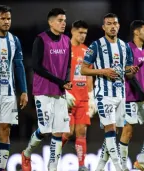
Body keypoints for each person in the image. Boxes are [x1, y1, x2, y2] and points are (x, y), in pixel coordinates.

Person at [95, 20, 144, 171]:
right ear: (136, 32)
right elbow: (128, 74)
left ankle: (140, 161)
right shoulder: (127, 48)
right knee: (127, 132)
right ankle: (123, 166)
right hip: (129, 97)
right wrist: (141, 91)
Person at [81, 13, 138, 171]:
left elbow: (126, 71)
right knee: (110, 129)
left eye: (115, 23)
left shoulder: (125, 46)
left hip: (120, 94)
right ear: (103, 27)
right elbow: (83, 69)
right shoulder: (96, 45)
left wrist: (131, 71)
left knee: (113, 132)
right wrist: (103, 72)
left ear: (119, 26)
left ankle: (99, 168)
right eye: (109, 23)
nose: (112, 26)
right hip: (103, 94)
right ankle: (119, 167)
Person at [21, 8, 72, 171]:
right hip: (43, 90)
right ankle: (27, 153)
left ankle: (53, 168)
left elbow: (68, 65)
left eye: (64, 20)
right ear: (50, 22)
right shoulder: (41, 40)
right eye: (59, 20)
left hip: (60, 91)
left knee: (58, 132)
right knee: (44, 129)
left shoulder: (67, 40)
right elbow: (36, 66)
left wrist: (67, 81)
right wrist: (60, 81)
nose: (63, 23)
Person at [0, 5, 28, 171]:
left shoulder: (14, 40)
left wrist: (24, 91)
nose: (6, 22)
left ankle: (1, 168)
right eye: (3, 18)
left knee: (5, 130)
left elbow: (19, 66)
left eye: (9, 19)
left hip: (8, 93)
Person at [62, 20, 96, 171]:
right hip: (67, 98)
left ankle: (81, 166)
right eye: (80, 33)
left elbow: (89, 76)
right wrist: (62, 91)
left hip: (83, 98)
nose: (83, 36)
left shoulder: (87, 51)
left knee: (81, 132)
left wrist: (91, 96)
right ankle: (53, 158)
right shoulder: (63, 49)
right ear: (72, 31)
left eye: (85, 33)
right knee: (68, 132)